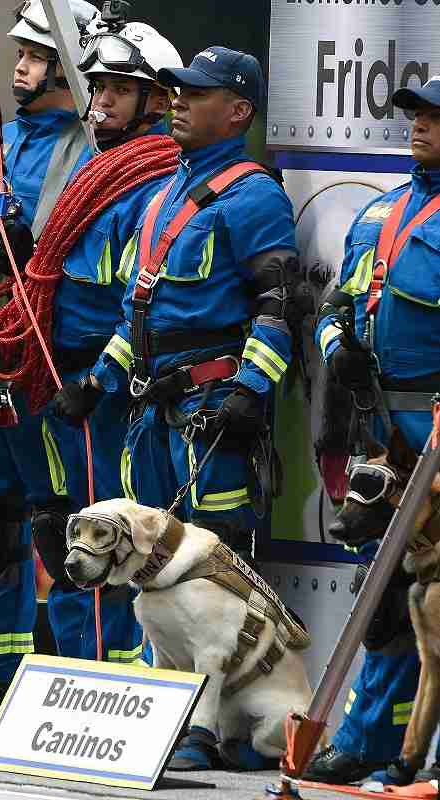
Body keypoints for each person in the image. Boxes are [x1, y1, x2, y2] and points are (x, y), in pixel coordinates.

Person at [86, 46, 299, 770]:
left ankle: (205, 732)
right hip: (151, 411)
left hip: (210, 412)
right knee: (143, 572)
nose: (177, 100)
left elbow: (278, 306)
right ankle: (155, 714)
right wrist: (97, 378)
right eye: (175, 91)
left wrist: (250, 390)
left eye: (196, 93)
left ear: (237, 111)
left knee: (212, 573)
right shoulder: (162, 192)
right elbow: (137, 311)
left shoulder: (252, 195)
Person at [31, 20, 183, 666]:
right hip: (60, 379)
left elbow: (137, 303)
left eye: (120, 90)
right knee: (61, 527)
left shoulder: (149, 179)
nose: (102, 103)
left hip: (102, 390)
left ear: (156, 101)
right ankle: (74, 669)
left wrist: (97, 383)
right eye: (97, 89)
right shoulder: (93, 169)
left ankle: (105, 678)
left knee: (105, 535)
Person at [0, 0, 100, 726]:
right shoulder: (0, 141)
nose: (17, 68)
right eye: (16, 54)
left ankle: (83, 676)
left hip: (56, 363)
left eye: (34, 55)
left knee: (62, 522)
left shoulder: (91, 151)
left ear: (67, 64)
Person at [306, 78, 440, 786]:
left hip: (437, 426)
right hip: (383, 429)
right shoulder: (380, 211)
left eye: (433, 117)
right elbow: (335, 306)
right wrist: (340, 354)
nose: (417, 126)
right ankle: (365, 740)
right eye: (415, 114)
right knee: (385, 593)